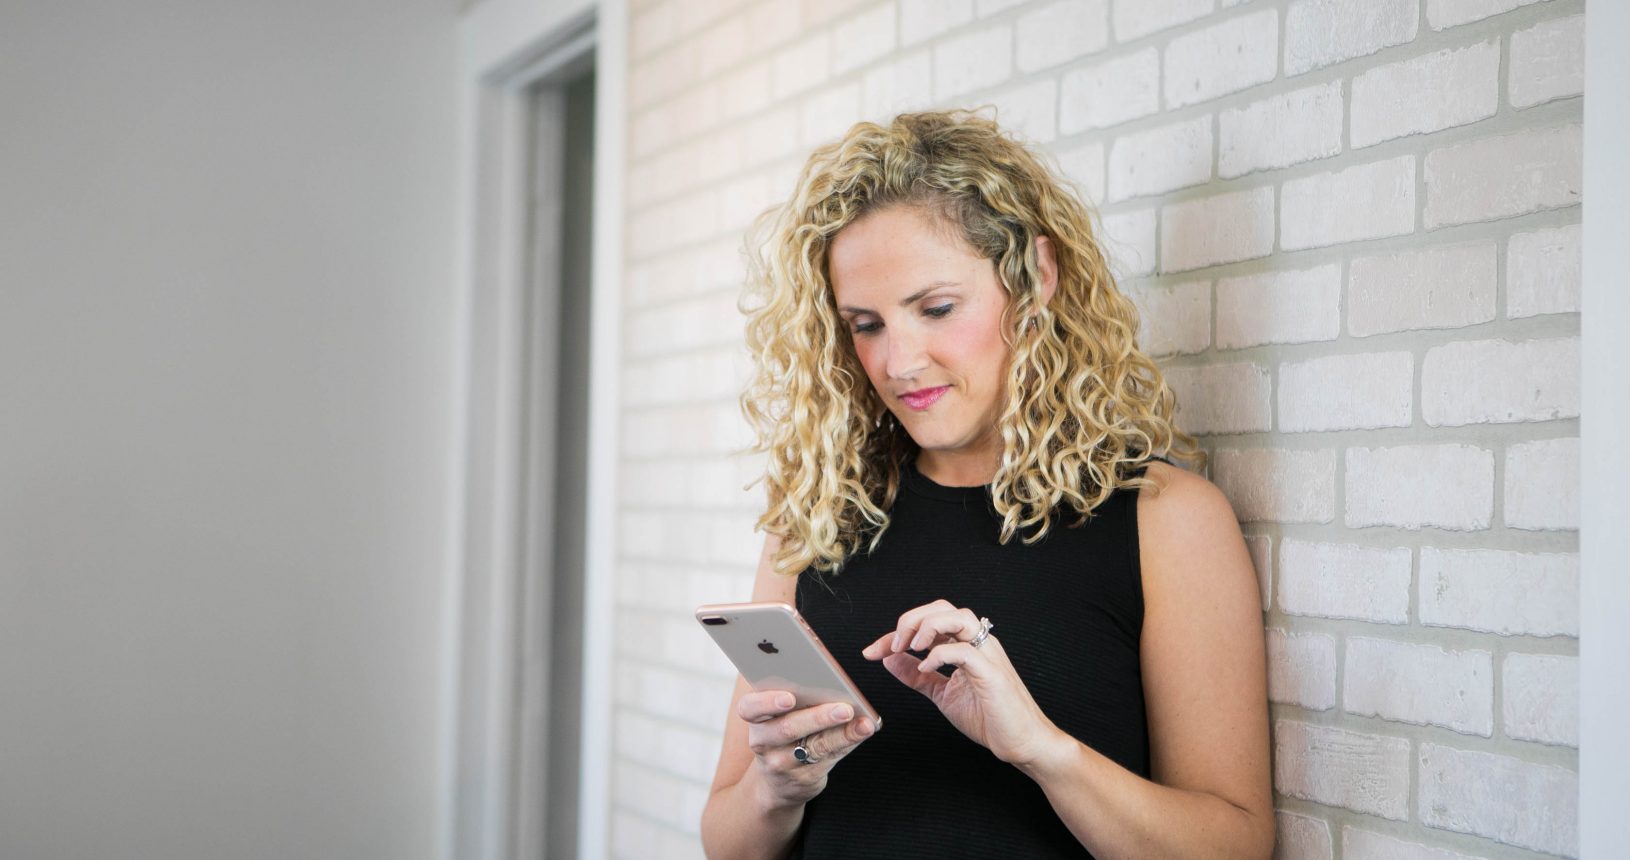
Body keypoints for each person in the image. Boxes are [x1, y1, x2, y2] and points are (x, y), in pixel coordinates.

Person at [699, 110, 1272, 859]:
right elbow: (727, 844)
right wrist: (777, 788)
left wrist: (1040, 749)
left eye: (936, 309)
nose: (899, 362)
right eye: (866, 324)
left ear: (1035, 279)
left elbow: (1234, 847)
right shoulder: (818, 518)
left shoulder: (1165, 521)